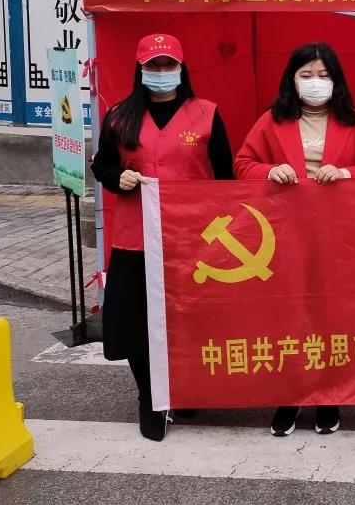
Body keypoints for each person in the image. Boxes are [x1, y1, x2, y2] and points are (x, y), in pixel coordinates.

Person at [235, 42, 355, 437]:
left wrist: (346, 173)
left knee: (331, 313)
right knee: (289, 313)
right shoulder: (272, 121)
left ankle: (328, 395)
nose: (315, 82)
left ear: (336, 80)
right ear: (292, 79)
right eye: (306, 75)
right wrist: (270, 171)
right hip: (285, 234)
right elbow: (243, 164)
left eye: (323, 75)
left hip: (338, 236)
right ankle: (289, 395)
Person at [91, 33, 234, 442]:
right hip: (136, 236)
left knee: (189, 320)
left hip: (192, 238)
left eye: (168, 64)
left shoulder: (206, 114)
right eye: (153, 66)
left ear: (181, 68)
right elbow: (102, 165)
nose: (161, 72)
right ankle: (150, 397)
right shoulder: (120, 116)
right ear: (140, 70)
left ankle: (184, 388)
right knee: (136, 320)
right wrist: (118, 177)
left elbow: (226, 176)